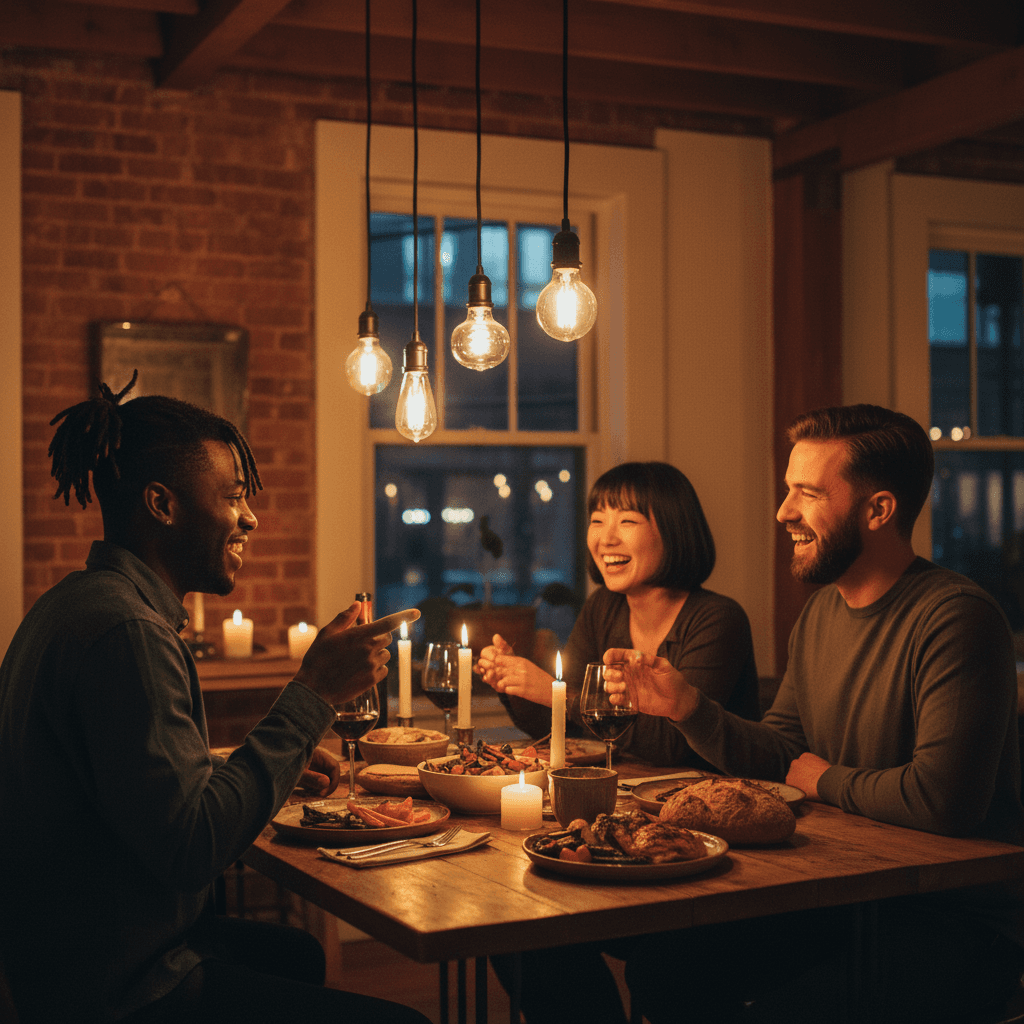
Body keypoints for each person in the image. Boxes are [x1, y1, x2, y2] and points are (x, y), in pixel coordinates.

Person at [0, 374, 429, 1024]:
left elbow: (139, 792)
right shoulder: (128, 633)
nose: (250, 516)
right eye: (232, 496)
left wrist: (257, 768)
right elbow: (192, 847)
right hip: (119, 990)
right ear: (161, 504)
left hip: (63, 961)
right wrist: (313, 691)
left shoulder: (74, 604)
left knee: (297, 955)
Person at [605, 405, 1024, 1023]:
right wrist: (689, 709)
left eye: (806, 494)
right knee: (667, 967)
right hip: (844, 898)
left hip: (952, 919)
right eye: (786, 492)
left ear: (877, 510)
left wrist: (820, 778)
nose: (784, 513)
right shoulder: (823, 613)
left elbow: (943, 801)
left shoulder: (956, 618)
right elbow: (781, 752)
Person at [477, 461, 760, 768]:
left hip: (712, 799)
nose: (606, 539)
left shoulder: (718, 619)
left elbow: (671, 746)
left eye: (627, 521)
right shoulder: (604, 606)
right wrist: (515, 681)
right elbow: (566, 727)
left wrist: (552, 692)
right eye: (597, 521)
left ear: (673, 530)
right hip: (626, 794)